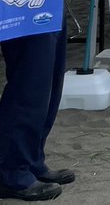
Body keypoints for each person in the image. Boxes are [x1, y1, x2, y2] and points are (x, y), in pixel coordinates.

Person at [0, 26, 71, 201]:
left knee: (49, 75)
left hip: (48, 1)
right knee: (30, 76)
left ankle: (31, 159)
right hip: (21, 6)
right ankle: (12, 170)